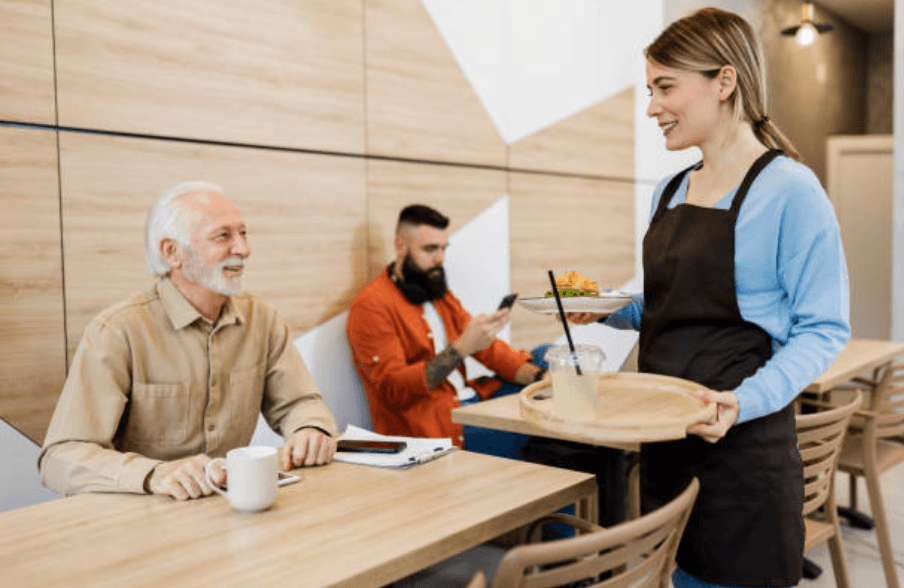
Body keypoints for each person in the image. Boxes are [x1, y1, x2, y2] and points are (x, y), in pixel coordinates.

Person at [568, 8, 849, 588]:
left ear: (724, 82)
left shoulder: (791, 191)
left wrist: (742, 403)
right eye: (650, 89)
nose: (651, 107)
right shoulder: (671, 190)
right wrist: (613, 309)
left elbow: (824, 329)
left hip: (744, 461)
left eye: (665, 87)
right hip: (666, 449)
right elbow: (672, 306)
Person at [39, 181, 338, 501]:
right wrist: (152, 474)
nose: (243, 249)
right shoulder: (117, 331)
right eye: (223, 236)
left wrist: (311, 429)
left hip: (227, 511)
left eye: (243, 233)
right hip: (142, 517)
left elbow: (300, 404)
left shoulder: (262, 318)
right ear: (172, 252)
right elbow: (60, 456)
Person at [346, 204, 547, 456]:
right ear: (400, 246)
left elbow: (488, 350)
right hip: (437, 428)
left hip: (471, 401)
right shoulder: (372, 307)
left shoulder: (437, 291)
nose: (440, 258)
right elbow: (394, 389)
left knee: (547, 357)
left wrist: (540, 379)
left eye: (443, 248)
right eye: (430, 249)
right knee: (543, 430)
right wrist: (461, 348)